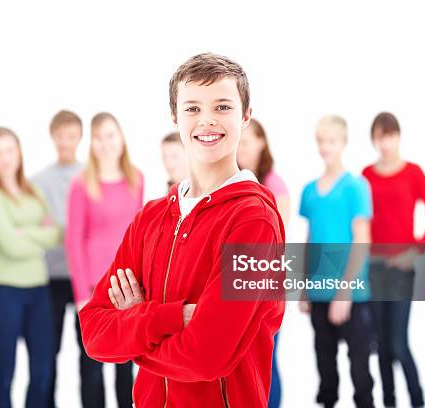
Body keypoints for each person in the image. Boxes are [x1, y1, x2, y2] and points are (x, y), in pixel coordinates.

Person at [78, 53, 285, 407]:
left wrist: (133, 332)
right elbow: (94, 332)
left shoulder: (257, 223)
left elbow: (206, 356)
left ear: (245, 115)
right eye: (192, 109)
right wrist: (168, 317)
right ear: (175, 116)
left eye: (222, 107)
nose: (206, 120)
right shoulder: (150, 218)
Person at [0, 127, 61, 408]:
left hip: (38, 290)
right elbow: (9, 246)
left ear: (19, 152)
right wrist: (36, 233)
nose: (5, 158)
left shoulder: (32, 189)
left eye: (10, 150)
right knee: (6, 372)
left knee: (42, 370)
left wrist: (22, 232)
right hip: (3, 291)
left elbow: (56, 233)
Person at [66, 112, 143, 407]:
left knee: (127, 366)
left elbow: (138, 235)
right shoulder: (82, 184)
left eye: (110, 135)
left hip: (126, 288)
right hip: (93, 293)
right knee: (92, 367)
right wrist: (82, 296)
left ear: (121, 138)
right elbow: (74, 241)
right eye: (98, 137)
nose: (105, 143)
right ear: (91, 143)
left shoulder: (136, 178)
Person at [363, 112, 425, 408]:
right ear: (374, 140)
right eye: (380, 137)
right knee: (380, 345)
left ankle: (418, 401)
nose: (385, 143)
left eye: (390, 136)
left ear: (398, 137)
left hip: (401, 270)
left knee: (397, 343)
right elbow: (361, 221)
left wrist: (415, 250)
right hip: (374, 268)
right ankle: (389, 402)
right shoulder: (366, 175)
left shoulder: (413, 173)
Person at [298, 115, 374, 408]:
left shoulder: (356, 187)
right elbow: (310, 241)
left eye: (331, 141)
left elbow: (362, 240)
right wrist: (304, 286)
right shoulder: (309, 191)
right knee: (325, 367)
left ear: (343, 143)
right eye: (320, 141)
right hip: (318, 292)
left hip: (351, 295)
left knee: (359, 368)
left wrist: (344, 292)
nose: (324, 147)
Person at [31, 110, 84, 408]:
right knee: (46, 350)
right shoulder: (38, 181)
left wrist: (61, 229)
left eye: (71, 136)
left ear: (79, 138)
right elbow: (35, 225)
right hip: (49, 275)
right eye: (60, 136)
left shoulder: (90, 176)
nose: (65, 142)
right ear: (52, 137)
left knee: (90, 353)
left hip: (85, 278)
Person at [237, 117, 290, 408]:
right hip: (236, 280)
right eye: (239, 142)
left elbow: (277, 237)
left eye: (246, 142)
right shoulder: (230, 182)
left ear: (262, 143)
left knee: (266, 357)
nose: (241, 148)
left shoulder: (273, 184)